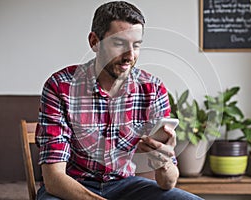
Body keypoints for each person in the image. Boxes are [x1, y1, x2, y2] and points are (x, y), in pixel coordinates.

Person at [35, 1, 203, 199]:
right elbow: (54, 179)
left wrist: (165, 160)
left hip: (126, 185)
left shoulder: (153, 89)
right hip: (71, 186)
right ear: (94, 42)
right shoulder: (60, 86)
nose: (129, 56)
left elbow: (167, 183)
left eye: (136, 45)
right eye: (119, 43)